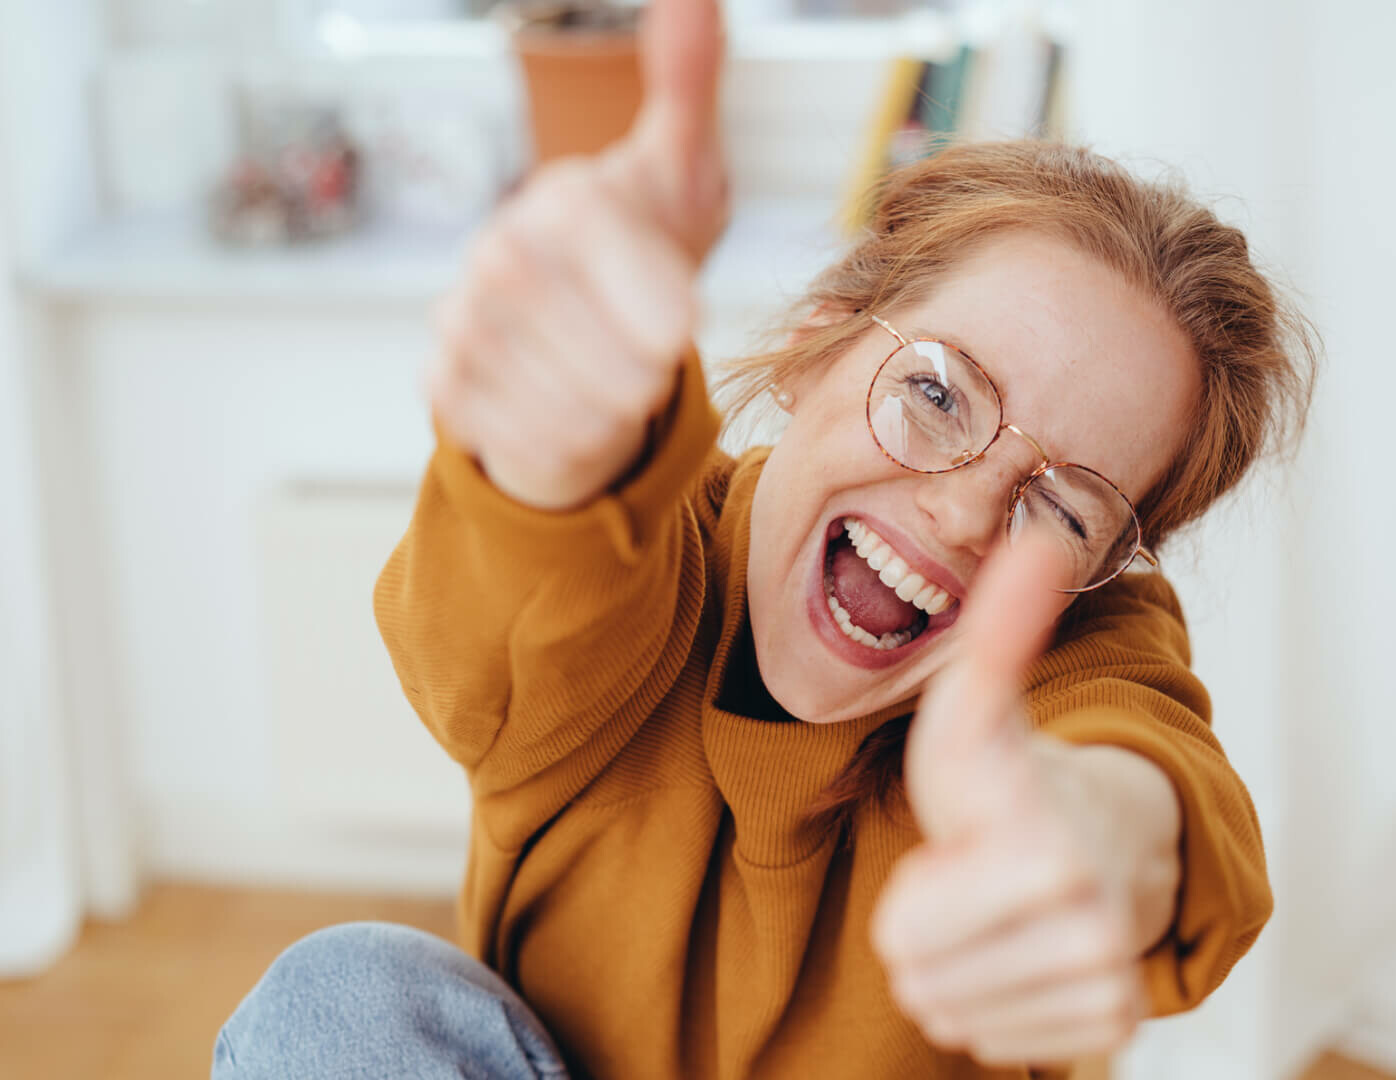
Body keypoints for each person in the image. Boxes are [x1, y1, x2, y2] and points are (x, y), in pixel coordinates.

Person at [212, 0, 1313, 1074]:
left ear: (1109, 565)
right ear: (813, 345)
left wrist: (1089, 831)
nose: (969, 512)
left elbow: (1151, 777)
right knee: (340, 1002)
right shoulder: (650, 560)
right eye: (936, 393)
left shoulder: (1070, 652)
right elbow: (532, 582)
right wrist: (545, 459)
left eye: (1065, 510)